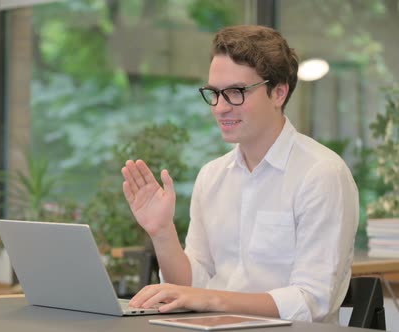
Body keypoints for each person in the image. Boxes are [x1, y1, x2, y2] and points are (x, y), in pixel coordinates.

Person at [120, 25, 358, 323]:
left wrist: (211, 300)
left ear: (279, 93)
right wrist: (162, 232)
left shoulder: (322, 174)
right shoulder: (212, 176)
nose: (220, 107)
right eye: (214, 93)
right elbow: (193, 285)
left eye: (235, 92)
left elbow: (312, 301)